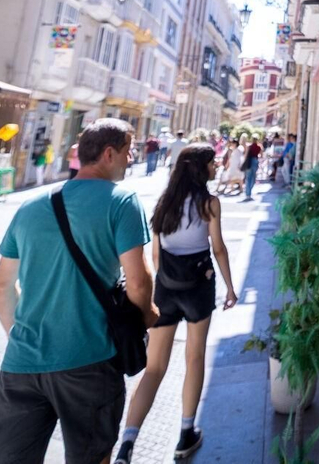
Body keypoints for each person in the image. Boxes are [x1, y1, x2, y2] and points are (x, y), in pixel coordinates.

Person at [0, 118, 156, 463]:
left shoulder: (30, 205)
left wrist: (18, 335)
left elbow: (2, 285)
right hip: (90, 359)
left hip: (23, 361)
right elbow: (138, 281)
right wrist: (145, 318)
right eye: (128, 151)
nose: (131, 158)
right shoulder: (122, 202)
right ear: (109, 153)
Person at [115, 144, 237, 462]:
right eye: (212, 162)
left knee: (154, 367)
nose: (217, 166)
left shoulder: (164, 203)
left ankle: (127, 444)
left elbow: (155, 255)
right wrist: (230, 288)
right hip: (198, 286)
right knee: (194, 357)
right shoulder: (209, 204)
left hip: (166, 287)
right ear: (200, 168)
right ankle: (186, 433)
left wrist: (161, 289)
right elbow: (219, 248)